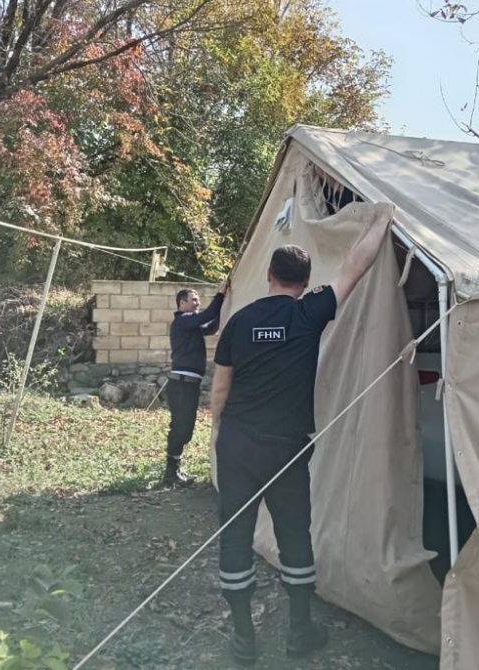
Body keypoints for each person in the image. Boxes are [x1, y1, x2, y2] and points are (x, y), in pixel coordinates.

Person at [209, 203, 395, 664]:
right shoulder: (309, 313)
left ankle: (243, 639)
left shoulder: (239, 322)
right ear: (306, 281)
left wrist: (217, 433)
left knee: (235, 535)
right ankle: (299, 632)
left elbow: (220, 388)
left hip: (237, 444)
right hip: (286, 450)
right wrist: (381, 221)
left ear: (269, 275)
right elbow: (354, 266)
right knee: (294, 534)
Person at [162, 279, 230, 487]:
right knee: (181, 428)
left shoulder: (191, 326)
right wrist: (220, 295)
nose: (197, 302)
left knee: (185, 428)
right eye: (193, 299)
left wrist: (224, 306)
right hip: (181, 384)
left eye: (198, 299)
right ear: (182, 303)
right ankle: (170, 473)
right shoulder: (183, 321)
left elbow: (211, 326)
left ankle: (174, 469)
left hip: (188, 384)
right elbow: (206, 316)